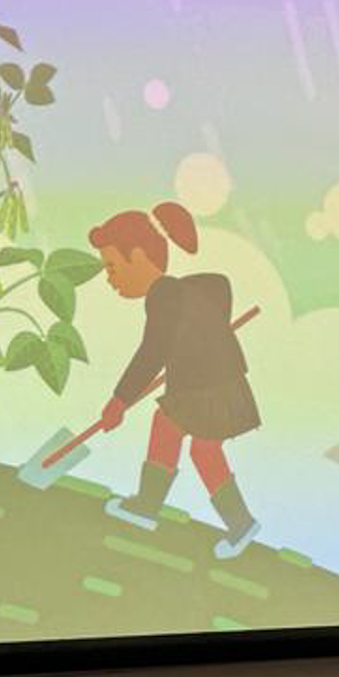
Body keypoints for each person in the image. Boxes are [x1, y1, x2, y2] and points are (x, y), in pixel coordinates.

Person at [89, 200, 262, 559]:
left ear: (138, 257)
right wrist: (202, 339)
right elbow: (220, 286)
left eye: (112, 267)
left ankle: (234, 522)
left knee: (194, 444)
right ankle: (153, 507)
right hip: (215, 385)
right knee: (178, 433)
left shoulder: (164, 296)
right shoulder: (189, 289)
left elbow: (152, 352)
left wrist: (119, 400)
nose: (110, 278)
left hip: (209, 390)